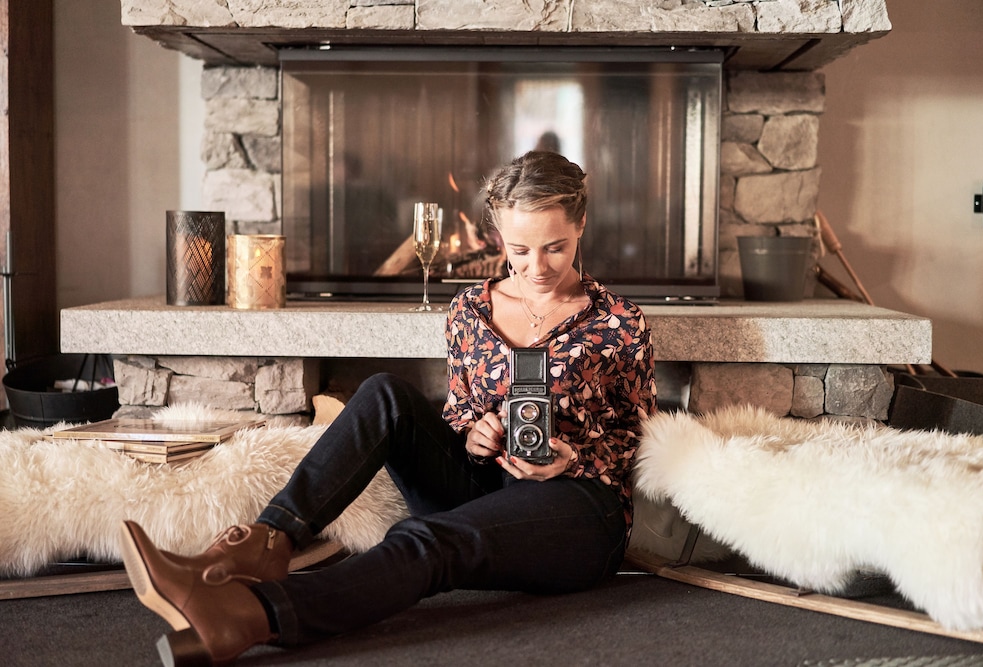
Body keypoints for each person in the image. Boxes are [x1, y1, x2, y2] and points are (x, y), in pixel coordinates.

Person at [120, 150, 657, 666]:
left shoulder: (619, 321)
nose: (536, 267)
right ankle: (261, 544)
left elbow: (641, 440)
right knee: (384, 393)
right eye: (519, 250)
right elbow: (459, 412)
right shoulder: (470, 310)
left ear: (580, 226)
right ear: (498, 235)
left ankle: (248, 617)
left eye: (555, 248)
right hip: (483, 487)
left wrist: (575, 459)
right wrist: (475, 435)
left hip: (577, 510)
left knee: (426, 540)